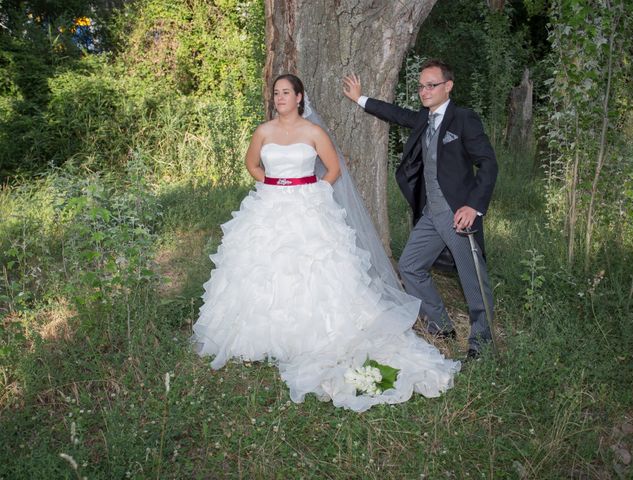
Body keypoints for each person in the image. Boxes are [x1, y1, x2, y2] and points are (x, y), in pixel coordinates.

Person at [191, 74, 460, 412]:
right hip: (270, 205)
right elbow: (251, 163)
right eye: (276, 93)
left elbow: (332, 170)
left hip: (308, 206)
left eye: (287, 93)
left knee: (313, 266)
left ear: (300, 97)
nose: (280, 98)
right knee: (264, 265)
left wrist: (311, 191)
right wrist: (272, 183)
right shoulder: (264, 131)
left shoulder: (313, 132)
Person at [343, 60, 498, 360]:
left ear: (448, 86)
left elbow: (489, 163)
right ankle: (440, 326)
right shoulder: (425, 120)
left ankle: (482, 340)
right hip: (431, 215)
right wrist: (360, 98)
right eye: (421, 86)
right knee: (411, 266)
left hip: (458, 215)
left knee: (472, 278)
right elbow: (396, 114)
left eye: (431, 85)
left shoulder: (464, 119)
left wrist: (474, 206)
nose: (424, 91)